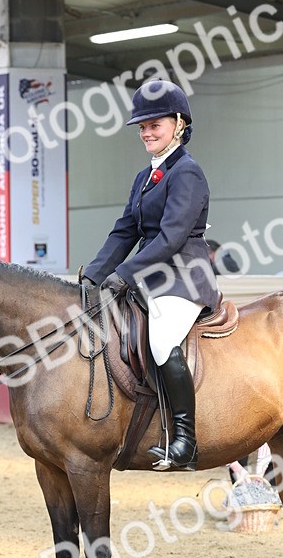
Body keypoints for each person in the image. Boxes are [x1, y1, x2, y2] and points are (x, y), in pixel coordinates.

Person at [83, 79, 220, 470]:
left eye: (154, 125)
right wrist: (93, 275)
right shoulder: (145, 177)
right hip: (149, 275)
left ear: (178, 124)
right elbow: (125, 230)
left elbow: (171, 237)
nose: (146, 132)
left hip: (183, 276)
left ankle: (185, 441)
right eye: (142, 127)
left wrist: (125, 274)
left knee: (161, 341)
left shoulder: (187, 173)